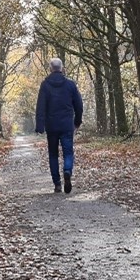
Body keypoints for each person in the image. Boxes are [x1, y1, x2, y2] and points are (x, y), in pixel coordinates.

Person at [34, 57, 83, 194]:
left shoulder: (45, 85)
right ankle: (67, 171)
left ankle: (57, 184)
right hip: (67, 125)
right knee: (68, 152)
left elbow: (40, 106)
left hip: (52, 126)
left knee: (53, 154)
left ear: (50, 69)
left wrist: (40, 126)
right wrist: (77, 122)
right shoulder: (70, 85)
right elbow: (79, 105)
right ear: (62, 68)